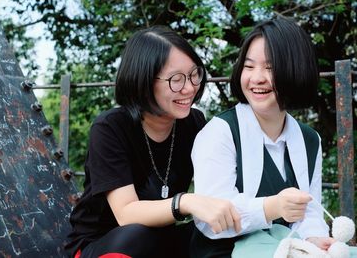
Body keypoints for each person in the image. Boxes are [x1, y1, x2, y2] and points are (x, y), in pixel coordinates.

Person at [64, 25, 241, 258]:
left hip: (159, 240)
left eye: (194, 74)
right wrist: (185, 202)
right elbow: (126, 214)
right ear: (144, 80)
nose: (189, 88)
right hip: (106, 245)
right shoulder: (110, 128)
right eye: (176, 79)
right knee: (138, 235)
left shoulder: (194, 123)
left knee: (225, 232)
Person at [190, 18, 336, 257]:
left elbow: (309, 213)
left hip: (286, 249)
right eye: (249, 67)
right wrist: (273, 207)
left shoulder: (310, 140)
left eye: (269, 68)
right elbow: (212, 218)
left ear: (296, 69)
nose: (257, 78)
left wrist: (314, 239)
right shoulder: (220, 132)